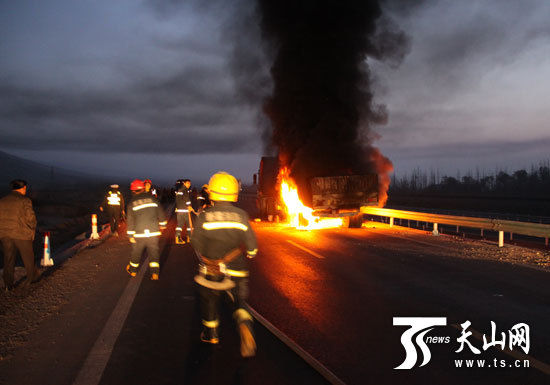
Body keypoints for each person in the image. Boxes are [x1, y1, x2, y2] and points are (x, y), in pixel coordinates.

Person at [191, 171, 258, 357]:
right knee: (240, 303)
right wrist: (250, 253)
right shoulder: (242, 215)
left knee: (210, 300)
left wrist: (207, 255)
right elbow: (252, 249)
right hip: (238, 268)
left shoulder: (205, 215)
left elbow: (196, 243)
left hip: (212, 269)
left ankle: (211, 334)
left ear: (212, 192)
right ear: (234, 193)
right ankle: (245, 326)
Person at [0, 179, 39, 291]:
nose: (25, 190)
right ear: (22, 188)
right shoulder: (25, 200)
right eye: (25, 188)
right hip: (21, 234)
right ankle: (31, 279)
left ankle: (8, 284)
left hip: (5, 235)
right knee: (28, 257)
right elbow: (30, 218)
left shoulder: (2, 200)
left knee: (8, 259)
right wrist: (32, 228)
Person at [125, 179, 167, 280]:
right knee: (154, 252)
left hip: (139, 233)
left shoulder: (132, 203)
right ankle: (155, 273)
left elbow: (130, 221)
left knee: (137, 252)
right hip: (153, 232)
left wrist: (130, 235)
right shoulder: (153, 198)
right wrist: (162, 225)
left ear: (133, 191)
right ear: (143, 188)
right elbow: (160, 212)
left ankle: (133, 271)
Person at [174, 179, 194, 244]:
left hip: (179, 210)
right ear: (184, 183)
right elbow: (187, 199)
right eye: (188, 183)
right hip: (185, 210)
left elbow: (177, 200)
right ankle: (189, 238)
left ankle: (178, 238)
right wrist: (189, 206)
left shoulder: (179, 190)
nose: (189, 184)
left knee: (179, 224)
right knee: (189, 224)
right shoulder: (185, 190)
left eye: (190, 183)